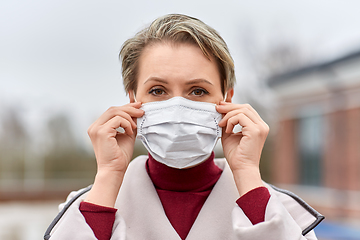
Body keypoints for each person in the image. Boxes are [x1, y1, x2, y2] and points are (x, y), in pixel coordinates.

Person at [44, 14, 324, 240]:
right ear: (132, 100)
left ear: (227, 99)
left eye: (198, 91)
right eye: (157, 90)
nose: (177, 107)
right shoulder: (89, 206)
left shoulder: (278, 210)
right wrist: (108, 175)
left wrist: (248, 173)